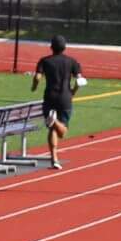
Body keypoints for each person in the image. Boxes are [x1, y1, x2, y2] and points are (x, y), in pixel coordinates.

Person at [31, 37, 83, 168]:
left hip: (49, 97)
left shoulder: (44, 61)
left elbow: (37, 77)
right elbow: (80, 81)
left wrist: (34, 87)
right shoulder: (72, 62)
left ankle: (54, 158)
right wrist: (73, 92)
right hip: (65, 97)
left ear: (51, 47)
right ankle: (55, 123)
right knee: (62, 131)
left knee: (53, 129)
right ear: (64, 48)